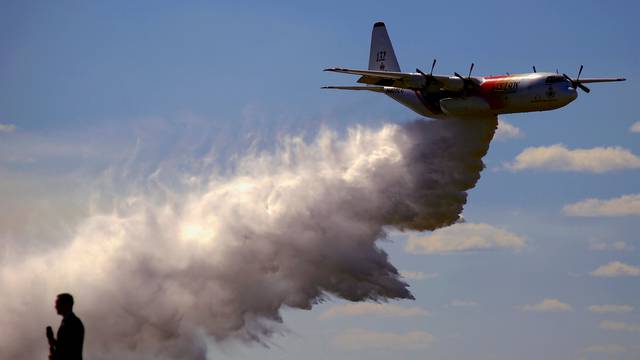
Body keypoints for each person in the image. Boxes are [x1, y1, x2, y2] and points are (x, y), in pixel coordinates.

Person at [46, 293, 84, 360]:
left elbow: (70, 349)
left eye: (58, 304)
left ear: (67, 304)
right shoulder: (69, 321)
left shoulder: (73, 322)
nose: (55, 306)